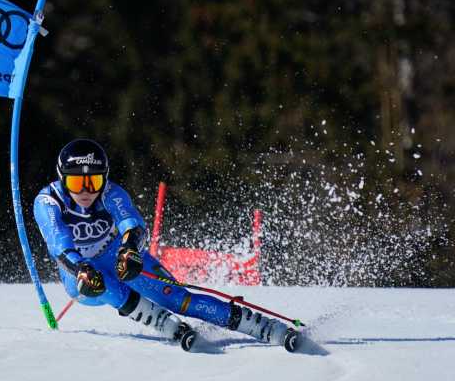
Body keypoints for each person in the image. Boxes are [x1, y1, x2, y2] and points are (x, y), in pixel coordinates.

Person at [33, 139, 297, 351]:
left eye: (94, 181)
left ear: (105, 178)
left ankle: (263, 327)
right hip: (78, 274)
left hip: (115, 254)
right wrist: (80, 268)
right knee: (98, 281)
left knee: (179, 298)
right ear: (62, 179)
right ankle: (164, 324)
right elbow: (59, 243)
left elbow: (132, 223)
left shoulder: (111, 192)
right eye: (76, 182)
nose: (86, 191)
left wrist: (130, 249)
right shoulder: (48, 202)